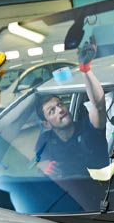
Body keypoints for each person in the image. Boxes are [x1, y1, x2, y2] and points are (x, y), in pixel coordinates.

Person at [35, 37, 108, 178]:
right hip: (72, 194)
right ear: (46, 123)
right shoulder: (45, 140)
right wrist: (42, 166)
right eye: (52, 111)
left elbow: (98, 106)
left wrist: (85, 69)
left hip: (104, 188)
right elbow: (39, 164)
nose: (60, 109)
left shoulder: (88, 127)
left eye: (60, 104)